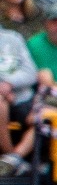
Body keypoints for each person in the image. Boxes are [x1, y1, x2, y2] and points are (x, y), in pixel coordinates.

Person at [0, 22, 36, 175]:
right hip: (3, 99)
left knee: (43, 117)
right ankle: (11, 157)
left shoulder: (13, 38)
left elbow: (31, 72)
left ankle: (14, 158)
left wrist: (9, 83)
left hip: (21, 96)